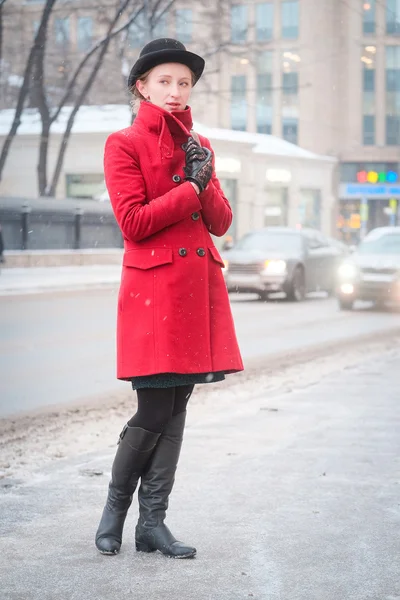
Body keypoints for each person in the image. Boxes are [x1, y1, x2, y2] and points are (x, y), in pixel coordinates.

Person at [95, 38, 243, 559]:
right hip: (155, 293)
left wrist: (203, 175)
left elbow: (221, 223)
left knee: (177, 406)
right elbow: (134, 222)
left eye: (183, 83)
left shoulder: (198, 145)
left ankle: (151, 524)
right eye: (165, 81)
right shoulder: (123, 143)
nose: (176, 92)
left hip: (194, 294)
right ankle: (114, 509)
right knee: (154, 407)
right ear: (142, 86)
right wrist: (190, 186)